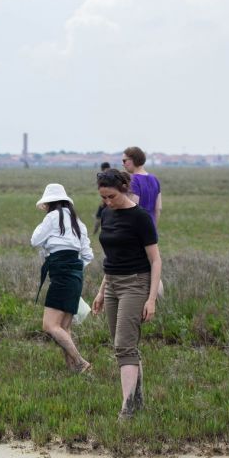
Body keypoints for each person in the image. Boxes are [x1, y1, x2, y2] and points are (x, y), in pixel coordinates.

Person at [92, 169, 162, 420]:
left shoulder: (140, 217)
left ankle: (127, 410)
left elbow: (155, 260)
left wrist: (151, 299)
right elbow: (112, 257)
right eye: (103, 198)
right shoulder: (108, 214)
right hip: (111, 284)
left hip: (136, 283)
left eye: (111, 196)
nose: (108, 202)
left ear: (124, 188)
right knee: (123, 346)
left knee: (124, 346)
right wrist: (101, 292)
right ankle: (138, 402)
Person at [31, 183, 94, 373]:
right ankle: (72, 368)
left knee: (50, 325)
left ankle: (80, 362)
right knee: (64, 327)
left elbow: (34, 240)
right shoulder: (78, 222)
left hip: (61, 272)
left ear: (49, 203)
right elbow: (87, 255)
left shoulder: (52, 217)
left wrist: (60, 262)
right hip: (75, 272)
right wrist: (74, 268)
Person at [122, 147, 161, 229]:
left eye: (124, 160)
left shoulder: (133, 180)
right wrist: (154, 230)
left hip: (136, 230)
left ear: (133, 160)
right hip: (150, 229)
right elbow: (158, 208)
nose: (123, 164)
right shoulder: (154, 179)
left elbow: (132, 209)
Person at [92, 162, 111, 235]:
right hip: (109, 200)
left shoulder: (104, 177)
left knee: (99, 217)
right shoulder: (113, 176)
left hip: (106, 201)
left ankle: (95, 233)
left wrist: (103, 200)